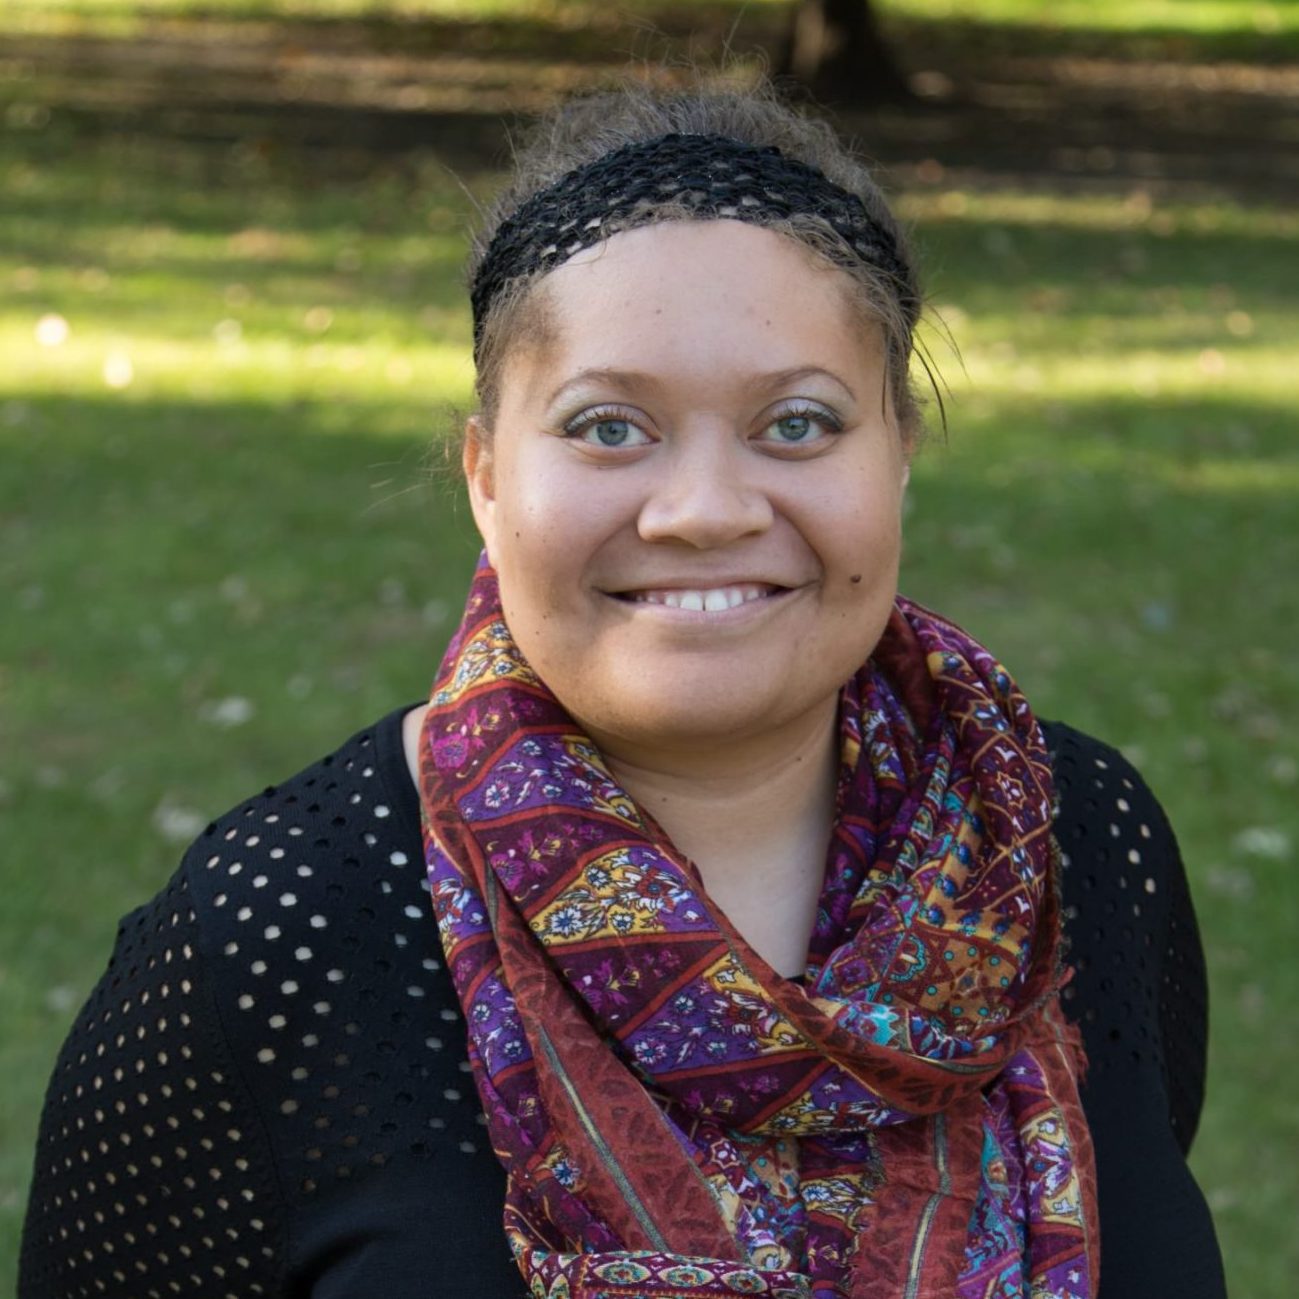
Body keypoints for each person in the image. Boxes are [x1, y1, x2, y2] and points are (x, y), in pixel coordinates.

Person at [19, 81, 1225, 1299]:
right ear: (486, 474)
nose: (704, 510)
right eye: (608, 428)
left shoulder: (1064, 836)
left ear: (899, 452)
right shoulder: (275, 937)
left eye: (798, 422)